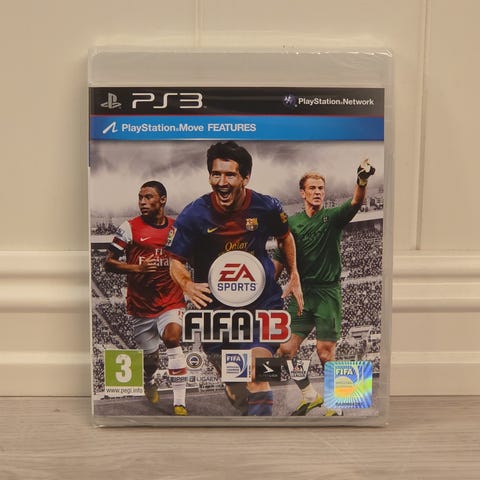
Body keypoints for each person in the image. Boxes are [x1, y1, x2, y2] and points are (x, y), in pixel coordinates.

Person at [166, 141, 303, 416]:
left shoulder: (267, 206)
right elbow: (175, 261)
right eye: (216, 174)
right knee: (236, 389)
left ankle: (260, 435)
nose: (222, 182)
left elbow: (285, 236)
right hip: (216, 314)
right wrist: (187, 284)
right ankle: (243, 403)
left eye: (230, 175)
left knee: (256, 373)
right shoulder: (193, 215)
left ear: (245, 178)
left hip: (261, 305)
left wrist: (294, 274)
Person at [273, 159, 375, 416]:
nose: (318, 192)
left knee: (325, 352)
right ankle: (310, 395)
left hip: (327, 293)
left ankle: (337, 405)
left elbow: (356, 202)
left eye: (321, 188)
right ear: (302, 193)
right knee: (285, 349)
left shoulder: (332, 218)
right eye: (312, 188)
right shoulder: (292, 223)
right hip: (301, 294)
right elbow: (280, 258)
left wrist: (362, 180)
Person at [105, 180, 188, 416]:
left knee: (172, 339)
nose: (142, 202)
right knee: (151, 360)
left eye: (148, 197)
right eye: (140, 197)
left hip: (171, 300)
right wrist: (137, 268)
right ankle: (149, 380)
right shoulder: (129, 228)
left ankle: (179, 403)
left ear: (162, 200)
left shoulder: (177, 228)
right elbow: (108, 263)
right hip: (141, 306)